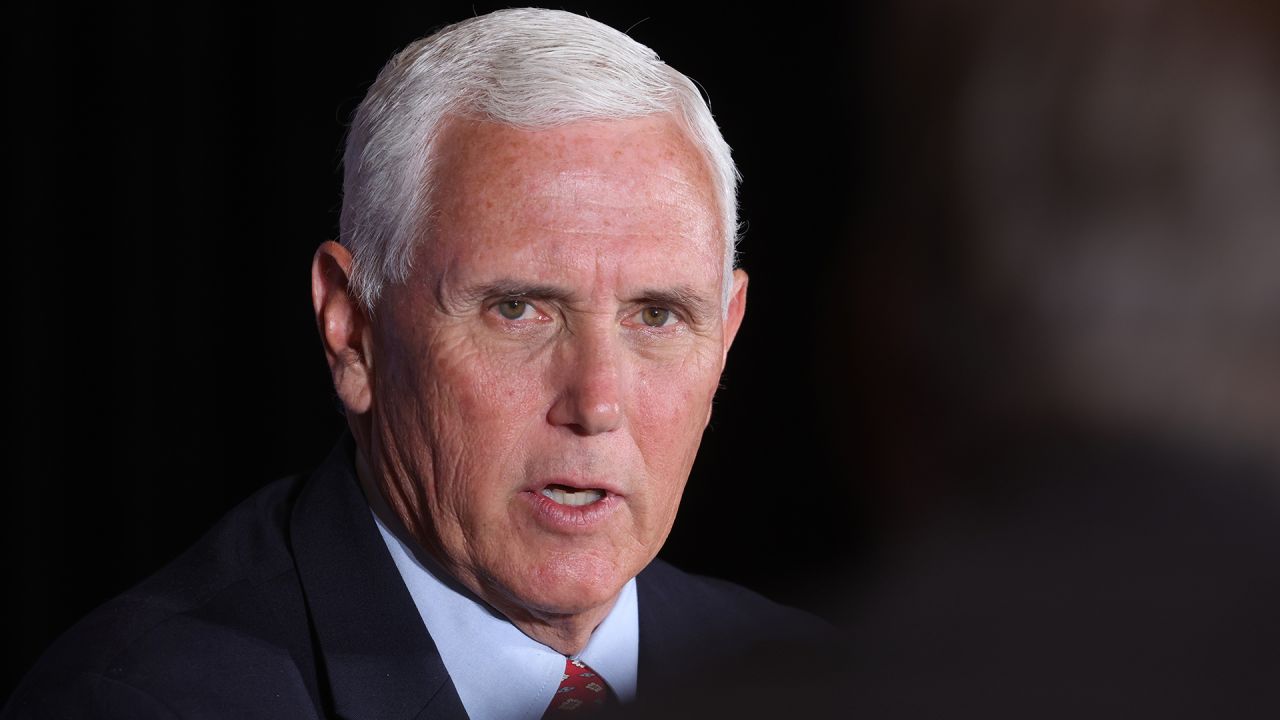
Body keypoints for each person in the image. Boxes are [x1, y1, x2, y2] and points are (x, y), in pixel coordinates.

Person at [3, 9, 821, 719]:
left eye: (657, 315)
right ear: (352, 330)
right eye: (517, 309)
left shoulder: (817, 685)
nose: (597, 401)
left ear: (726, 339)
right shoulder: (139, 702)